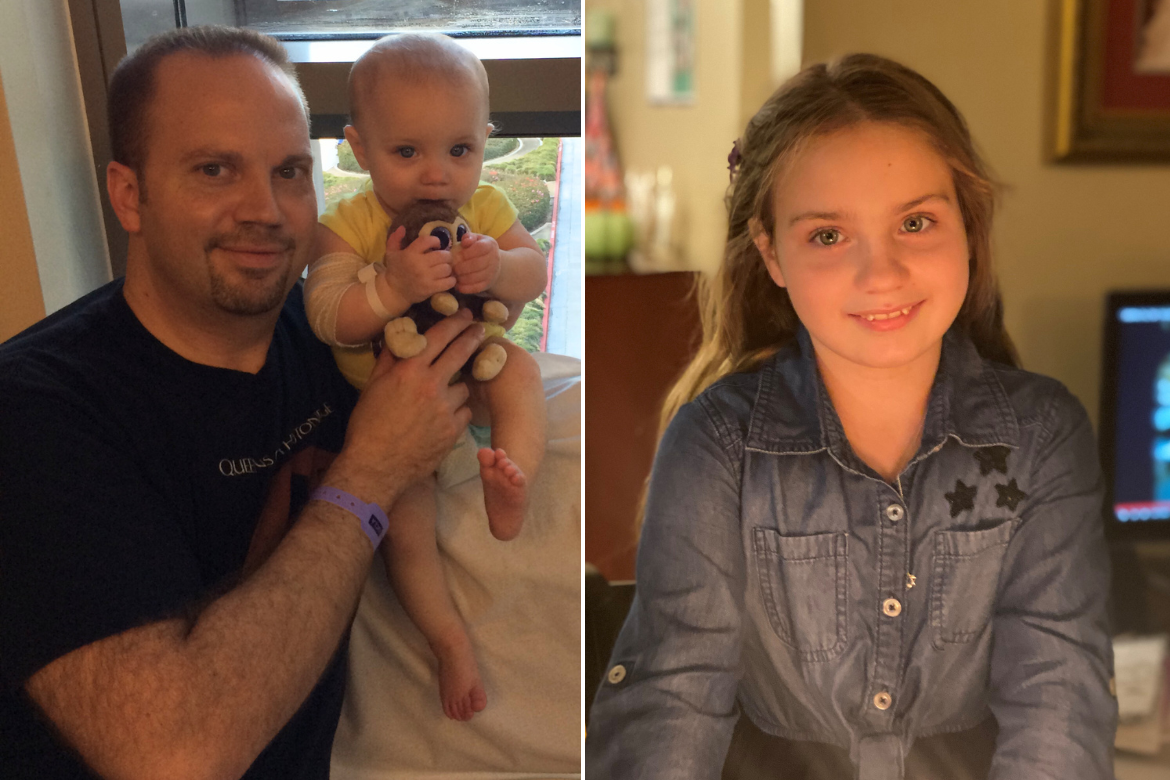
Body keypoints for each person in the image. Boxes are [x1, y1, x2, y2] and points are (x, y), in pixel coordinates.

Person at [585, 54, 1117, 780]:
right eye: (829, 236)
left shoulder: (1042, 437)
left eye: (917, 222)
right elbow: (672, 703)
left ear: (968, 224)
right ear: (771, 252)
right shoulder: (717, 446)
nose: (882, 273)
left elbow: (1058, 701)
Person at [0, 26, 486, 780]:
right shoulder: (39, 413)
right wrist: (371, 472)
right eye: (215, 169)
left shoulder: (335, 341)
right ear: (130, 195)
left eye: (290, 171)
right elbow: (175, 755)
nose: (267, 209)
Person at [303, 32, 548, 721]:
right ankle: (448, 643)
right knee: (402, 528)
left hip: (477, 370)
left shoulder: (489, 209)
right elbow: (325, 312)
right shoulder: (345, 226)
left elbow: (536, 270)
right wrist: (385, 289)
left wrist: (498, 265)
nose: (437, 175)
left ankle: (512, 478)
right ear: (358, 147)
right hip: (392, 409)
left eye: (459, 150)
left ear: (486, 142)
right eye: (407, 152)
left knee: (523, 375)